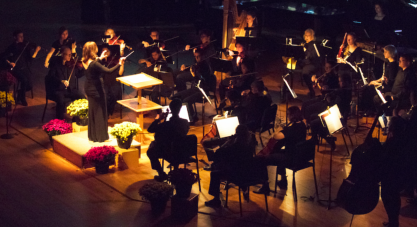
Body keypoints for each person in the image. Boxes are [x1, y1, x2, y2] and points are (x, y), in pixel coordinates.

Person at [254, 106, 307, 193]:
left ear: (292, 115)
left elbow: (276, 136)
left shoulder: (291, 129)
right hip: (299, 155)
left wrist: (279, 129)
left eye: (288, 114)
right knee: (278, 152)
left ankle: (265, 185)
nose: (287, 116)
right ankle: (283, 180)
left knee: (262, 158)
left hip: (291, 158)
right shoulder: (302, 125)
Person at [81, 42, 125, 142]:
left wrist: (100, 58)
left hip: (89, 88)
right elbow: (108, 71)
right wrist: (119, 64)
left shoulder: (84, 60)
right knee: (100, 112)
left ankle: (93, 136)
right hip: (97, 89)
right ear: (92, 50)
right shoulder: (95, 63)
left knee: (93, 111)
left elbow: (93, 65)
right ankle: (100, 137)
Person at [205, 125, 256, 207]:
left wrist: (227, 143)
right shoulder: (250, 146)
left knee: (214, 173)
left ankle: (216, 199)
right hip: (248, 173)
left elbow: (216, 155)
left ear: (237, 134)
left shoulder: (233, 147)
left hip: (235, 175)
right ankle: (244, 189)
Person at [146, 98, 190, 181]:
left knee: (150, 151)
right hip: (183, 151)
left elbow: (150, 129)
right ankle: (175, 171)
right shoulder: (185, 122)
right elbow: (179, 134)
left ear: (170, 110)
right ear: (180, 109)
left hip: (171, 153)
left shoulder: (166, 124)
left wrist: (159, 119)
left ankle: (161, 173)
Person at [380, 116, 412, 227]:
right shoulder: (402, 139)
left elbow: (385, 157)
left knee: (388, 197)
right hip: (399, 175)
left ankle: (393, 222)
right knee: (394, 197)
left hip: (391, 176)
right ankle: (393, 221)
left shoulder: (393, 142)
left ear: (393, 128)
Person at [172, 49, 216, 122]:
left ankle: (192, 118)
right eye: (195, 57)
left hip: (203, 91)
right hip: (196, 89)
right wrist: (185, 68)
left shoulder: (205, 66)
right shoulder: (197, 64)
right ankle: (182, 116)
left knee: (186, 101)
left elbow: (204, 81)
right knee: (177, 96)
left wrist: (195, 75)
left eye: (198, 57)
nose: (196, 59)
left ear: (202, 56)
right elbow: (192, 71)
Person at [2, 30, 41, 106]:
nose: (22, 38)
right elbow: (4, 57)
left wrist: (36, 51)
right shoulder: (11, 47)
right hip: (15, 69)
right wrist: (10, 63)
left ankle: (20, 92)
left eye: (22, 36)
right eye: (20, 36)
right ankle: (22, 99)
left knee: (30, 85)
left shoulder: (25, 47)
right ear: (15, 37)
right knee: (24, 80)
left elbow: (31, 59)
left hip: (23, 68)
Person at [46, 46, 85, 119]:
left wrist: (84, 68)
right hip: (59, 90)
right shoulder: (55, 65)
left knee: (82, 97)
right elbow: (50, 77)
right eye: (68, 55)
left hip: (71, 90)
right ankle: (59, 121)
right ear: (62, 54)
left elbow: (79, 75)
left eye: (71, 54)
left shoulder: (71, 65)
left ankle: (77, 118)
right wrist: (61, 81)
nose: (70, 56)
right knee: (61, 101)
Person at [99, 43, 125, 116]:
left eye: (107, 51)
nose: (106, 52)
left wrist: (122, 64)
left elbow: (120, 73)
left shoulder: (115, 60)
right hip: (104, 83)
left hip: (114, 82)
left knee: (114, 95)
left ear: (110, 51)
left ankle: (110, 111)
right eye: (103, 51)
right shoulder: (100, 62)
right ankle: (105, 113)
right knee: (105, 96)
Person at [302, 29, 321, 98]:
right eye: (306, 35)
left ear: (312, 36)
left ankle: (312, 90)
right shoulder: (306, 44)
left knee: (305, 72)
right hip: (307, 63)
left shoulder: (313, 44)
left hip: (313, 64)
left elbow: (317, 57)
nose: (307, 37)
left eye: (309, 36)